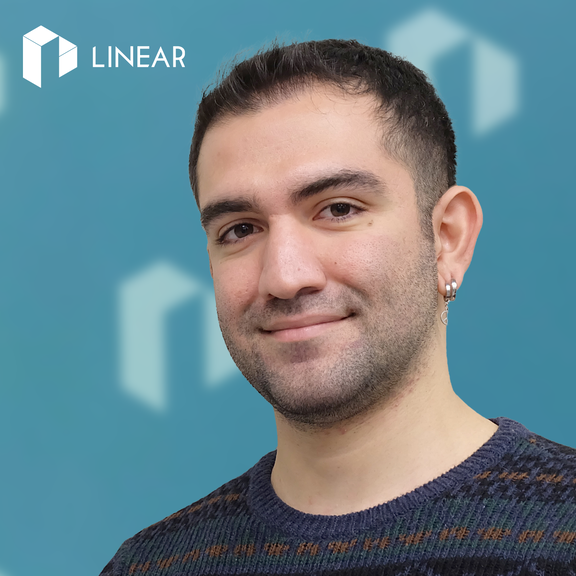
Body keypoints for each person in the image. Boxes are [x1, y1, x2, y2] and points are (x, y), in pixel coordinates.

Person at [100, 39, 576, 575]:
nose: (285, 276)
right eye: (240, 230)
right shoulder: (150, 566)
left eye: (338, 209)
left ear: (448, 237)